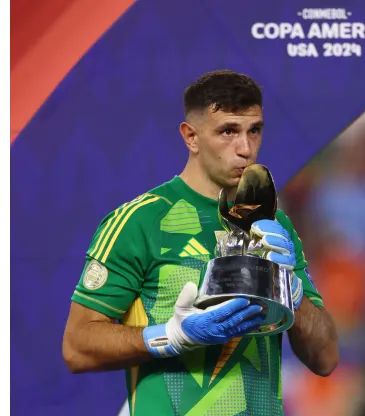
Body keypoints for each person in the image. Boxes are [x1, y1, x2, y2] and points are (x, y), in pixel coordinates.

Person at [62, 70, 339, 416]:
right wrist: (172, 336)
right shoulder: (138, 222)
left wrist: (292, 291)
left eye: (254, 130)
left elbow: (325, 359)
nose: (246, 149)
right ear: (191, 137)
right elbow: (77, 347)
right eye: (228, 132)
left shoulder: (274, 224)